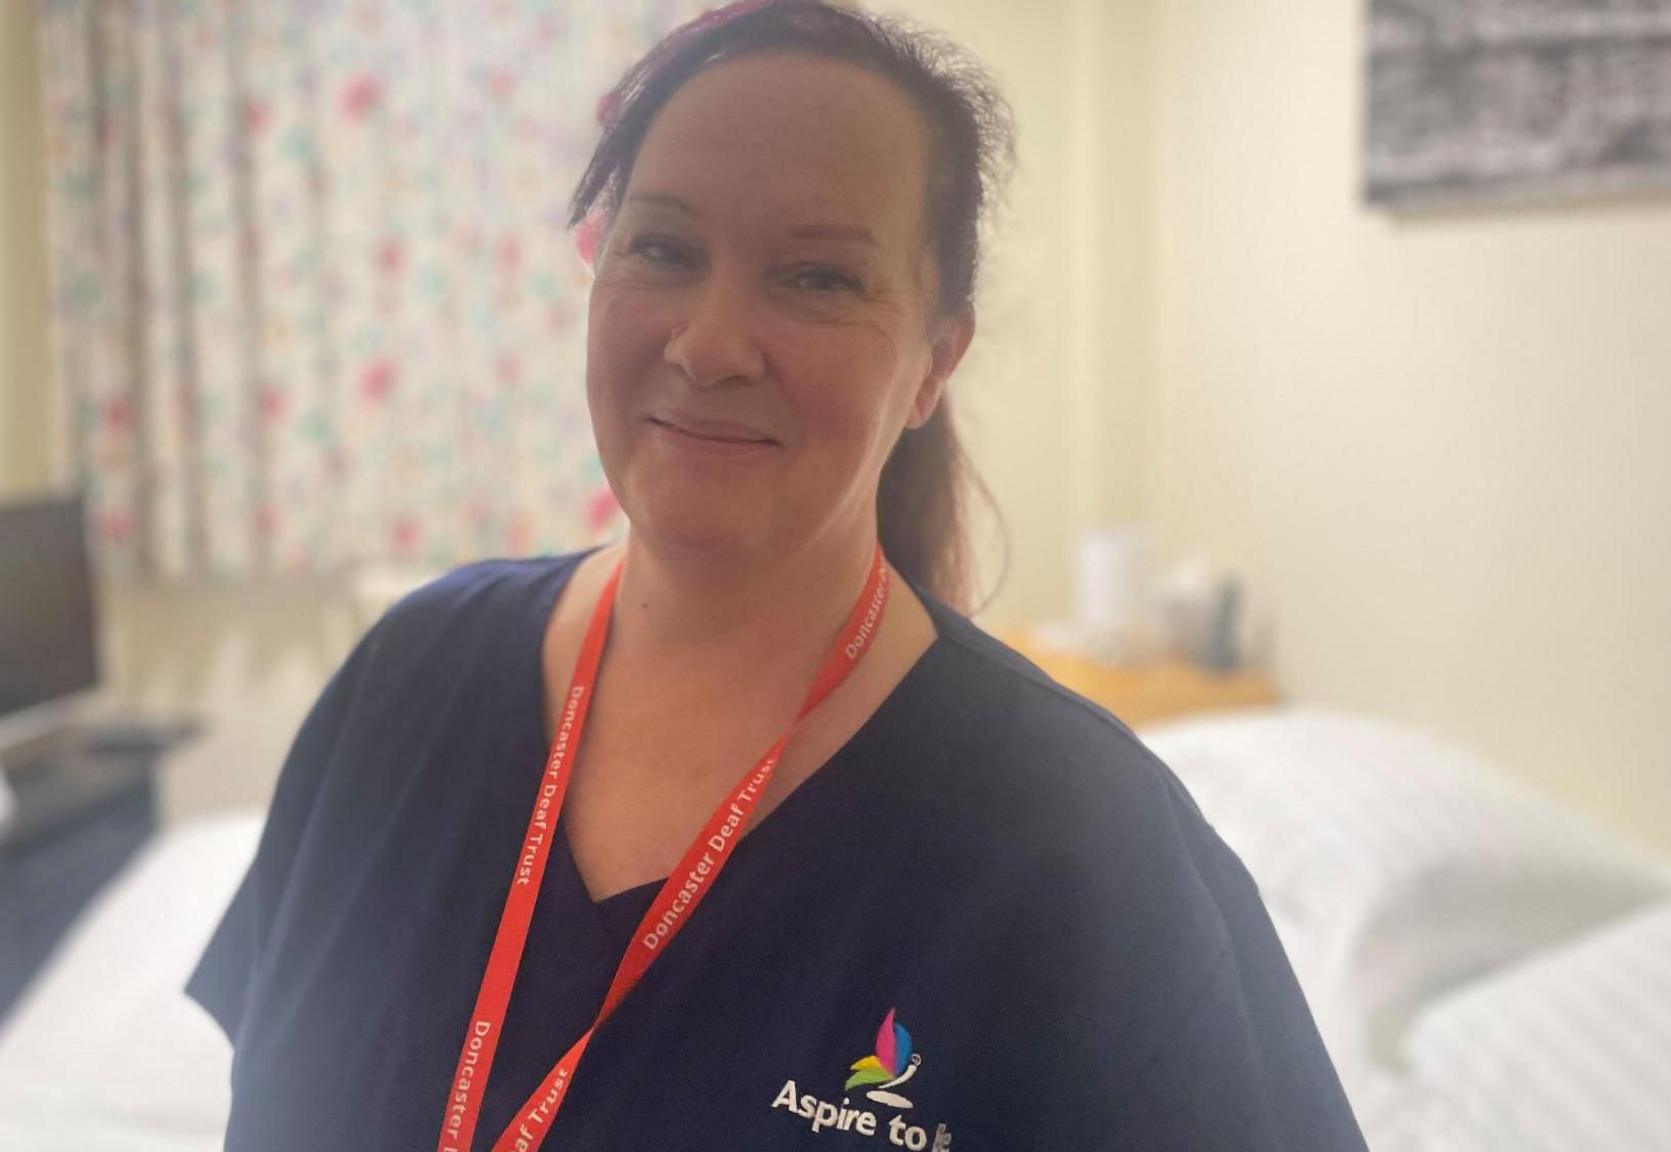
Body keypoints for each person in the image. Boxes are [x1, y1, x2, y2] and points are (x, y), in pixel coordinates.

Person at [188, 3, 1369, 1149]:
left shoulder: (1078, 845)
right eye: (662, 247)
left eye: (815, 277)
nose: (706, 345)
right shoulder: (410, 678)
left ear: (930, 366)